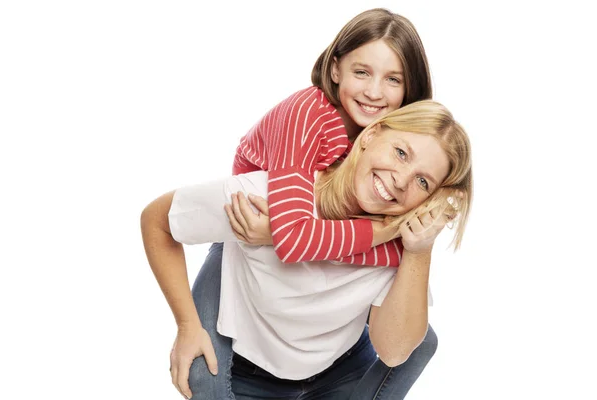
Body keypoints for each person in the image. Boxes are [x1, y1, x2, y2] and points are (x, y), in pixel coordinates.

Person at [176, 9, 439, 399]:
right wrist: (387, 231)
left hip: (321, 242)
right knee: (204, 378)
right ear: (335, 70)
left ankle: (338, 364)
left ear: (409, 89)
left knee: (418, 335)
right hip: (246, 232)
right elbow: (293, 239)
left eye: (393, 79)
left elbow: (441, 193)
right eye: (362, 72)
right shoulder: (307, 114)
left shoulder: (400, 142)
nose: (374, 92)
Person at [141, 100, 473, 399]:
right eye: (401, 153)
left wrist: (420, 250)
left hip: (340, 374)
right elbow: (157, 221)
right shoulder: (265, 200)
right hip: (247, 376)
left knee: (419, 337)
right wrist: (187, 325)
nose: (401, 180)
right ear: (371, 135)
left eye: (423, 182)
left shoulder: (400, 244)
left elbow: (395, 350)